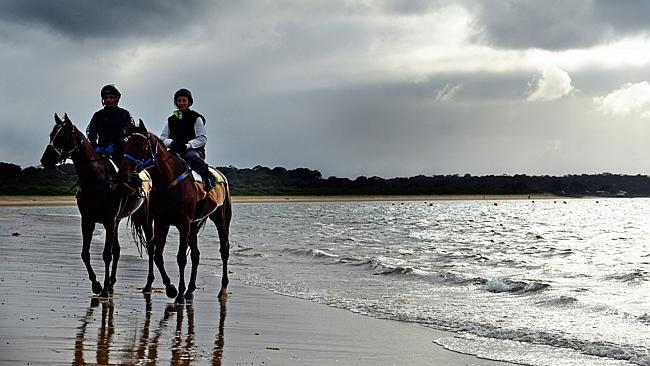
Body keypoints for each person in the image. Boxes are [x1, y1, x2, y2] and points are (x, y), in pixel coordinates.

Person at [161, 88, 216, 190]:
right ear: (176, 103)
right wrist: (172, 143)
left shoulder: (196, 118)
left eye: (184, 100)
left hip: (194, 151)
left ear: (189, 102)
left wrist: (188, 145)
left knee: (190, 156)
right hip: (175, 150)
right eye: (179, 101)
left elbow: (202, 138)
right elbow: (163, 138)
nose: (181, 103)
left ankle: (208, 177)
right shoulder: (171, 119)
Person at [86, 84, 134, 166]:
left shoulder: (125, 114)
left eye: (111, 97)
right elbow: (90, 133)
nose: (108, 100)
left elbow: (130, 135)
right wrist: (95, 146)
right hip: (100, 153)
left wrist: (115, 146)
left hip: (121, 154)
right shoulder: (97, 115)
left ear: (117, 99)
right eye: (105, 97)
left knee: (133, 174)